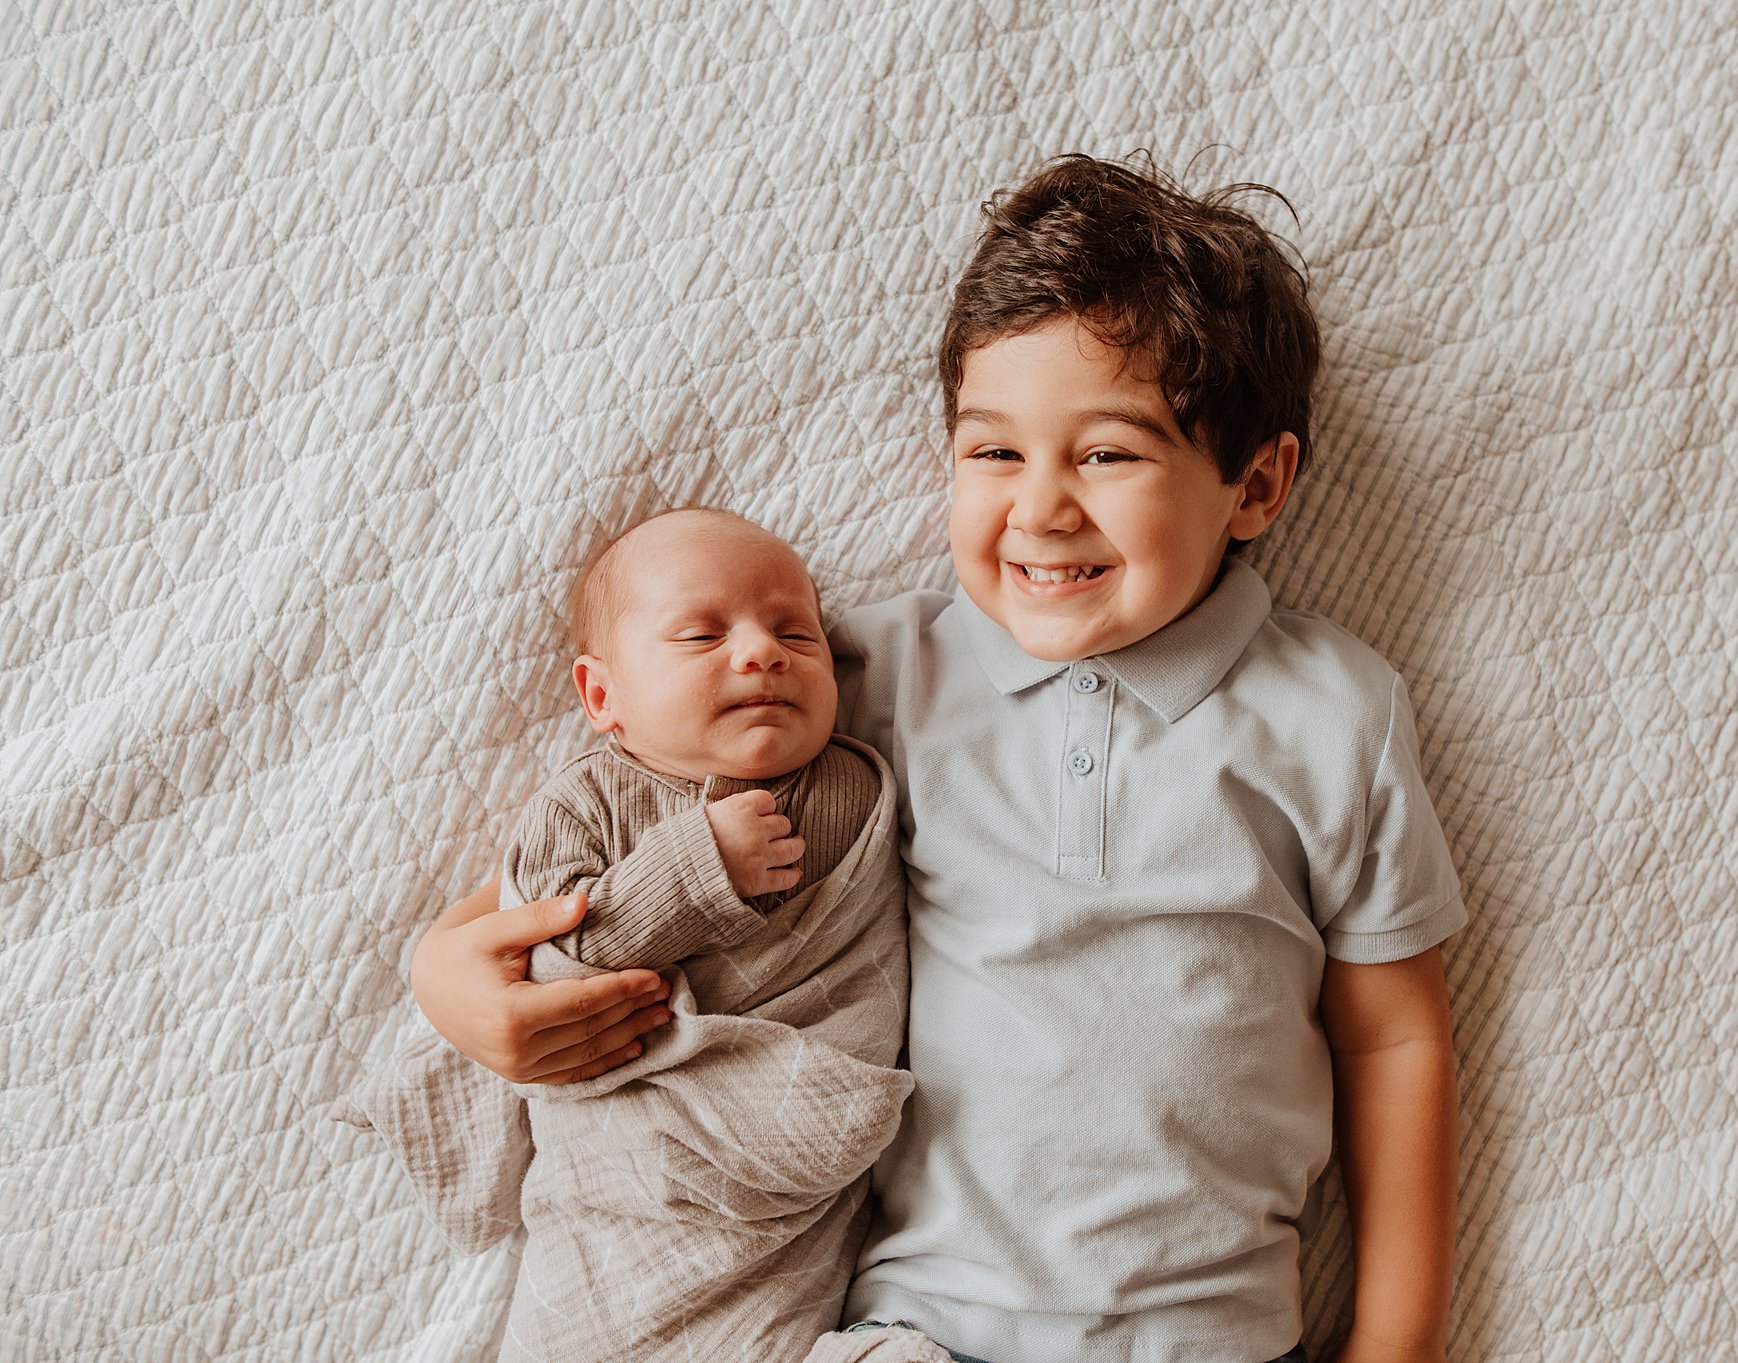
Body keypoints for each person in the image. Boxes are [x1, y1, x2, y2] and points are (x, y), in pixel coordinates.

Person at [409, 154, 1466, 1363]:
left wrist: (1397, 1345)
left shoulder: (1331, 712)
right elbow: (630, 828)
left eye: (1108, 455)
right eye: (992, 453)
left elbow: (1392, 1038)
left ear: (1255, 484)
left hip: (1206, 1334)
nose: (1040, 509)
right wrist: (448, 969)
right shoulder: (877, 671)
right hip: (919, 1328)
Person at [341, 509, 914, 1363]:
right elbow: (552, 952)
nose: (763, 651)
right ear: (602, 695)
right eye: (700, 634)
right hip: (624, 1173)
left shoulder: (848, 785)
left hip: (778, 1179)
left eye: (798, 631)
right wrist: (691, 870)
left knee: (769, 1329)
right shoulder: (583, 804)